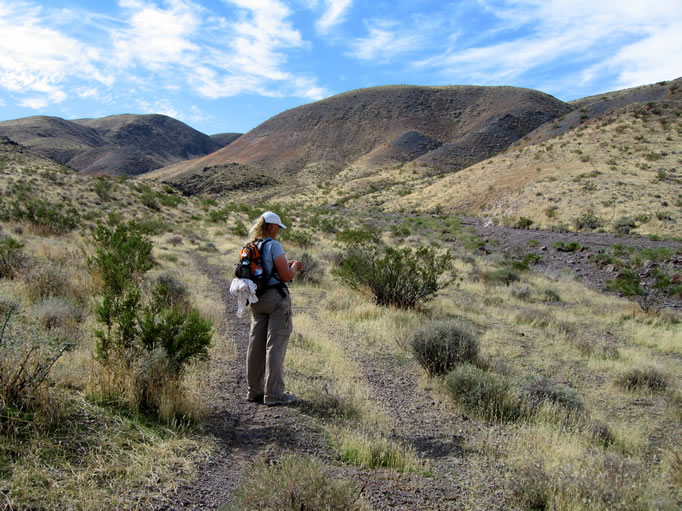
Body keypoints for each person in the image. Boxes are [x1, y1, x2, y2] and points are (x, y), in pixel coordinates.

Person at [245, 211, 303, 406]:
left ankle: (254, 391)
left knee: (256, 345)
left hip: (256, 299)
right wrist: (295, 267)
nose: (278, 231)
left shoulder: (253, 245)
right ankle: (274, 394)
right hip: (276, 299)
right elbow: (286, 276)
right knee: (275, 345)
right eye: (277, 227)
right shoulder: (273, 245)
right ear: (271, 226)